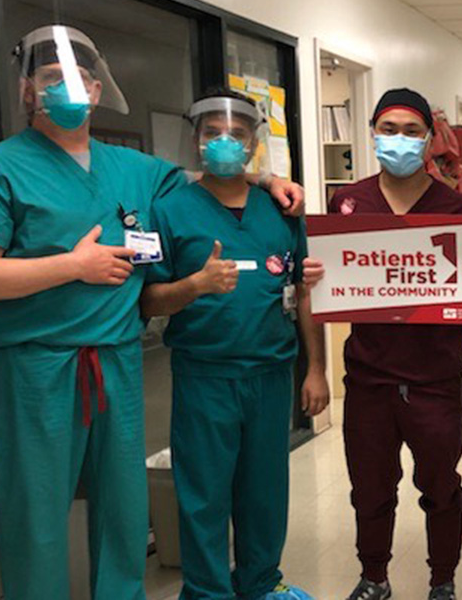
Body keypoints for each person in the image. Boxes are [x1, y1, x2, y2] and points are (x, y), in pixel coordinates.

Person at [0, 25, 305, 600]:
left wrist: (270, 177)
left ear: (96, 90)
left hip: (115, 360)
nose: (67, 89)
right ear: (26, 91)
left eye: (79, 79)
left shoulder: (136, 170)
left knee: (123, 510)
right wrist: (73, 266)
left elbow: (210, 177)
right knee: (36, 514)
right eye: (50, 78)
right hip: (34, 368)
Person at [140, 89, 327, 600]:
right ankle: (206, 592)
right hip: (206, 376)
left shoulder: (282, 209)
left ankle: (262, 585)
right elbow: (148, 302)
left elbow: (304, 291)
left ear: (254, 144)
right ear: (196, 140)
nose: (225, 142)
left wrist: (316, 370)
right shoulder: (171, 210)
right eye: (212, 133)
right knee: (203, 496)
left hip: (270, 372)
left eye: (238, 134)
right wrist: (193, 287)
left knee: (265, 492)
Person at [329, 88, 462, 600]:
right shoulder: (348, 202)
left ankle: (443, 580)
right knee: (370, 490)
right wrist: (318, 276)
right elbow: (339, 281)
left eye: (411, 131)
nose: (399, 140)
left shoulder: (458, 208)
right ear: (372, 133)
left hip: (435, 378)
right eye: (388, 129)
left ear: (429, 139)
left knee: (440, 489)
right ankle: (374, 576)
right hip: (369, 377)